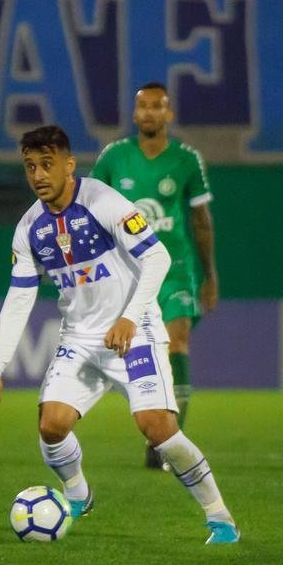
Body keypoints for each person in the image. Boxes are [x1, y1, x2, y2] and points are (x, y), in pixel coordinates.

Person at [0, 125, 239, 545]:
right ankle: (78, 493)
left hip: (135, 330)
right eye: (30, 167)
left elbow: (157, 256)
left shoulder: (103, 201)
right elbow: (19, 298)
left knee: (157, 428)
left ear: (68, 165)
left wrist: (130, 318)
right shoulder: (29, 229)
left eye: (47, 165)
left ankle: (219, 517)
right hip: (80, 340)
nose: (39, 175)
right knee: (51, 425)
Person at [91, 83, 220, 469]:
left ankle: (166, 441)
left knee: (176, 343)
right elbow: (89, 210)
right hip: (128, 274)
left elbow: (201, 220)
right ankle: (156, 425)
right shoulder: (114, 157)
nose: (149, 113)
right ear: (134, 114)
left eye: (157, 106)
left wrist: (209, 274)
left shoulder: (186, 160)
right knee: (144, 354)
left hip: (176, 269)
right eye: (142, 106)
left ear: (169, 114)